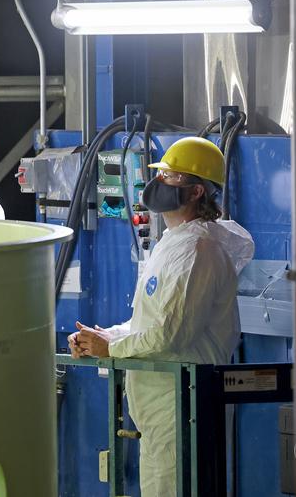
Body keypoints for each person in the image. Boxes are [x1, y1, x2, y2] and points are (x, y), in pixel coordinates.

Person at [68, 137, 254, 497]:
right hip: (161, 416)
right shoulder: (173, 242)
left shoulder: (198, 250)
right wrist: (104, 338)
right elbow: (149, 325)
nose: (157, 183)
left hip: (182, 410)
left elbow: (170, 334)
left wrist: (112, 348)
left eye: (169, 176)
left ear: (196, 191)